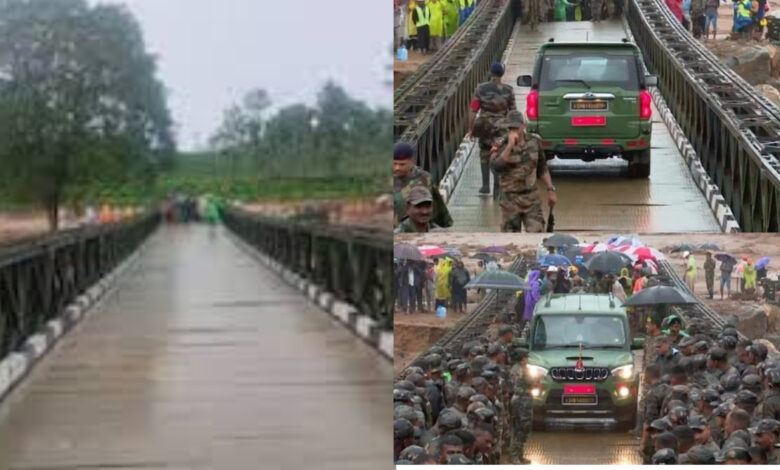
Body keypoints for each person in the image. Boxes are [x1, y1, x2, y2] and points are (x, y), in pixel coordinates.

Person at [491, 110, 557, 232]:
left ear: (523, 125)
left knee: (536, 232)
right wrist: (509, 146)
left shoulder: (534, 142)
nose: (514, 130)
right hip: (509, 200)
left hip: (531, 199)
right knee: (510, 236)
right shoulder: (500, 144)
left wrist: (550, 189)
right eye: (510, 127)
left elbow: (542, 168)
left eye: (516, 127)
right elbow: (496, 167)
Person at [468, 62, 516, 197]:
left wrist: (470, 129)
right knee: (499, 154)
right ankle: (497, 187)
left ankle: (485, 186)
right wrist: (513, 130)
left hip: (484, 126)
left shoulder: (480, 88)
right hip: (501, 127)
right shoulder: (509, 90)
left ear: (490, 72)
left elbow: (473, 110)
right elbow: (513, 112)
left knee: (484, 152)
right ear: (502, 73)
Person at [393, 142, 452, 229]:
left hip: (416, 232)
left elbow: (437, 206)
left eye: (402, 164)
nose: (397, 168)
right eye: (394, 164)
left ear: (412, 161)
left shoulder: (424, 179)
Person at [508, 348, 533, 464]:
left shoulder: (521, 369)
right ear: (522, 358)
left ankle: (519, 455)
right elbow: (526, 383)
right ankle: (514, 456)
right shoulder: (519, 370)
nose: (527, 359)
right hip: (521, 400)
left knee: (522, 428)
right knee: (520, 428)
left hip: (523, 399)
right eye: (526, 357)